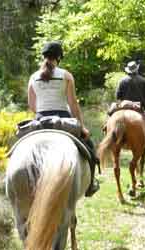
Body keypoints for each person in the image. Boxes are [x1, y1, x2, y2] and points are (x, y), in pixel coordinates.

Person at [27, 41, 99, 197]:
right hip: (63, 119)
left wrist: (42, 113)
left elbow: (32, 105)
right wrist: (81, 126)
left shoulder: (33, 77)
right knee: (90, 148)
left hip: (41, 120)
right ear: (59, 57)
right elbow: (73, 104)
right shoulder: (65, 76)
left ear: (43, 56)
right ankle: (90, 184)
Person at [116, 61, 145, 153]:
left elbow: (118, 97)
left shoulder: (122, 81)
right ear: (137, 69)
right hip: (141, 107)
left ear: (127, 71)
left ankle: (109, 136)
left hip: (125, 106)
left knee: (110, 118)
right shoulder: (143, 81)